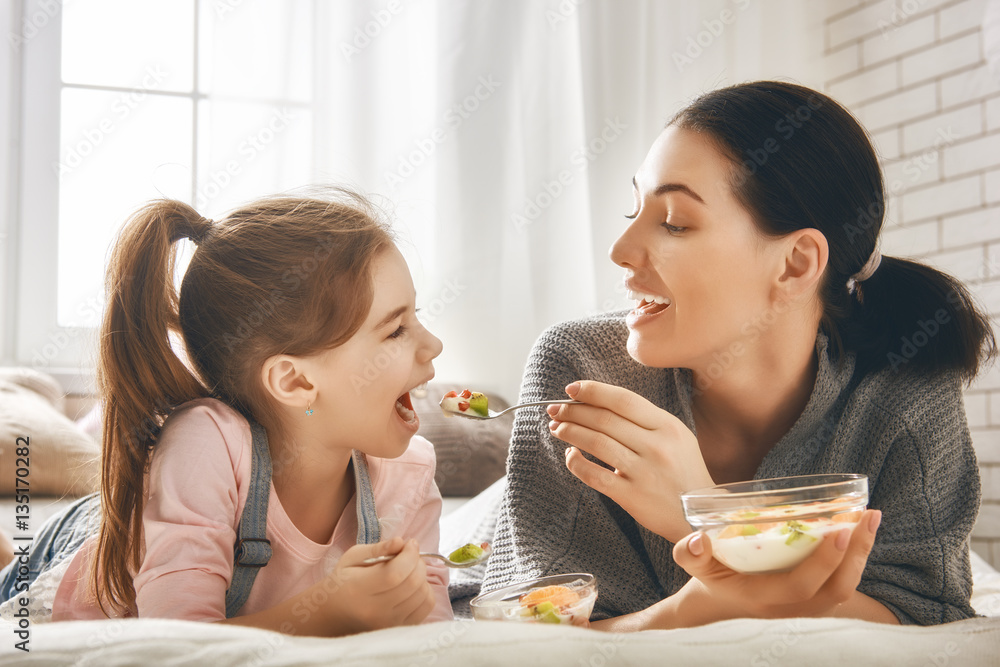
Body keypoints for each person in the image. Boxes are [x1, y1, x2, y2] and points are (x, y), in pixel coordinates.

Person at [480, 81, 996, 628]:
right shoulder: (579, 366)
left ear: (796, 264)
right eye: (632, 210)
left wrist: (708, 517)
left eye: (674, 221)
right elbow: (532, 635)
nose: (620, 251)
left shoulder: (907, 393)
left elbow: (931, 624)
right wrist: (709, 601)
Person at [0, 189, 452, 634]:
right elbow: (178, 643)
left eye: (417, 315)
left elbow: (433, 636)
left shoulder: (410, 476)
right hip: (78, 560)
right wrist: (326, 613)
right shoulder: (204, 445)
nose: (433, 344)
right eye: (396, 330)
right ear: (295, 381)